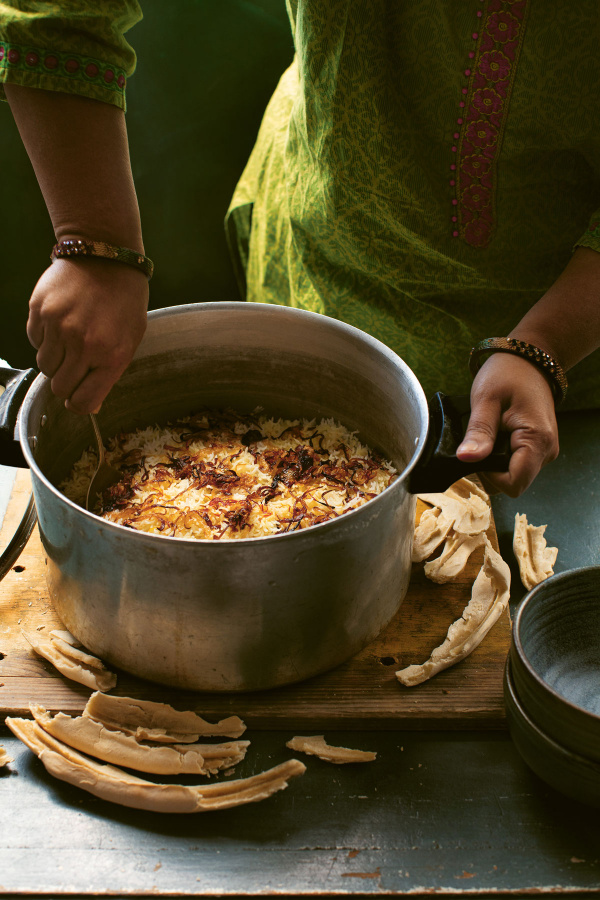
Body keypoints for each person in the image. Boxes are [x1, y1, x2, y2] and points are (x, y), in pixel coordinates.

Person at [1, 1, 599, 499]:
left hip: (564, 363)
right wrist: (95, 238)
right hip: (320, 248)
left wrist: (545, 345)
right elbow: (56, 7)